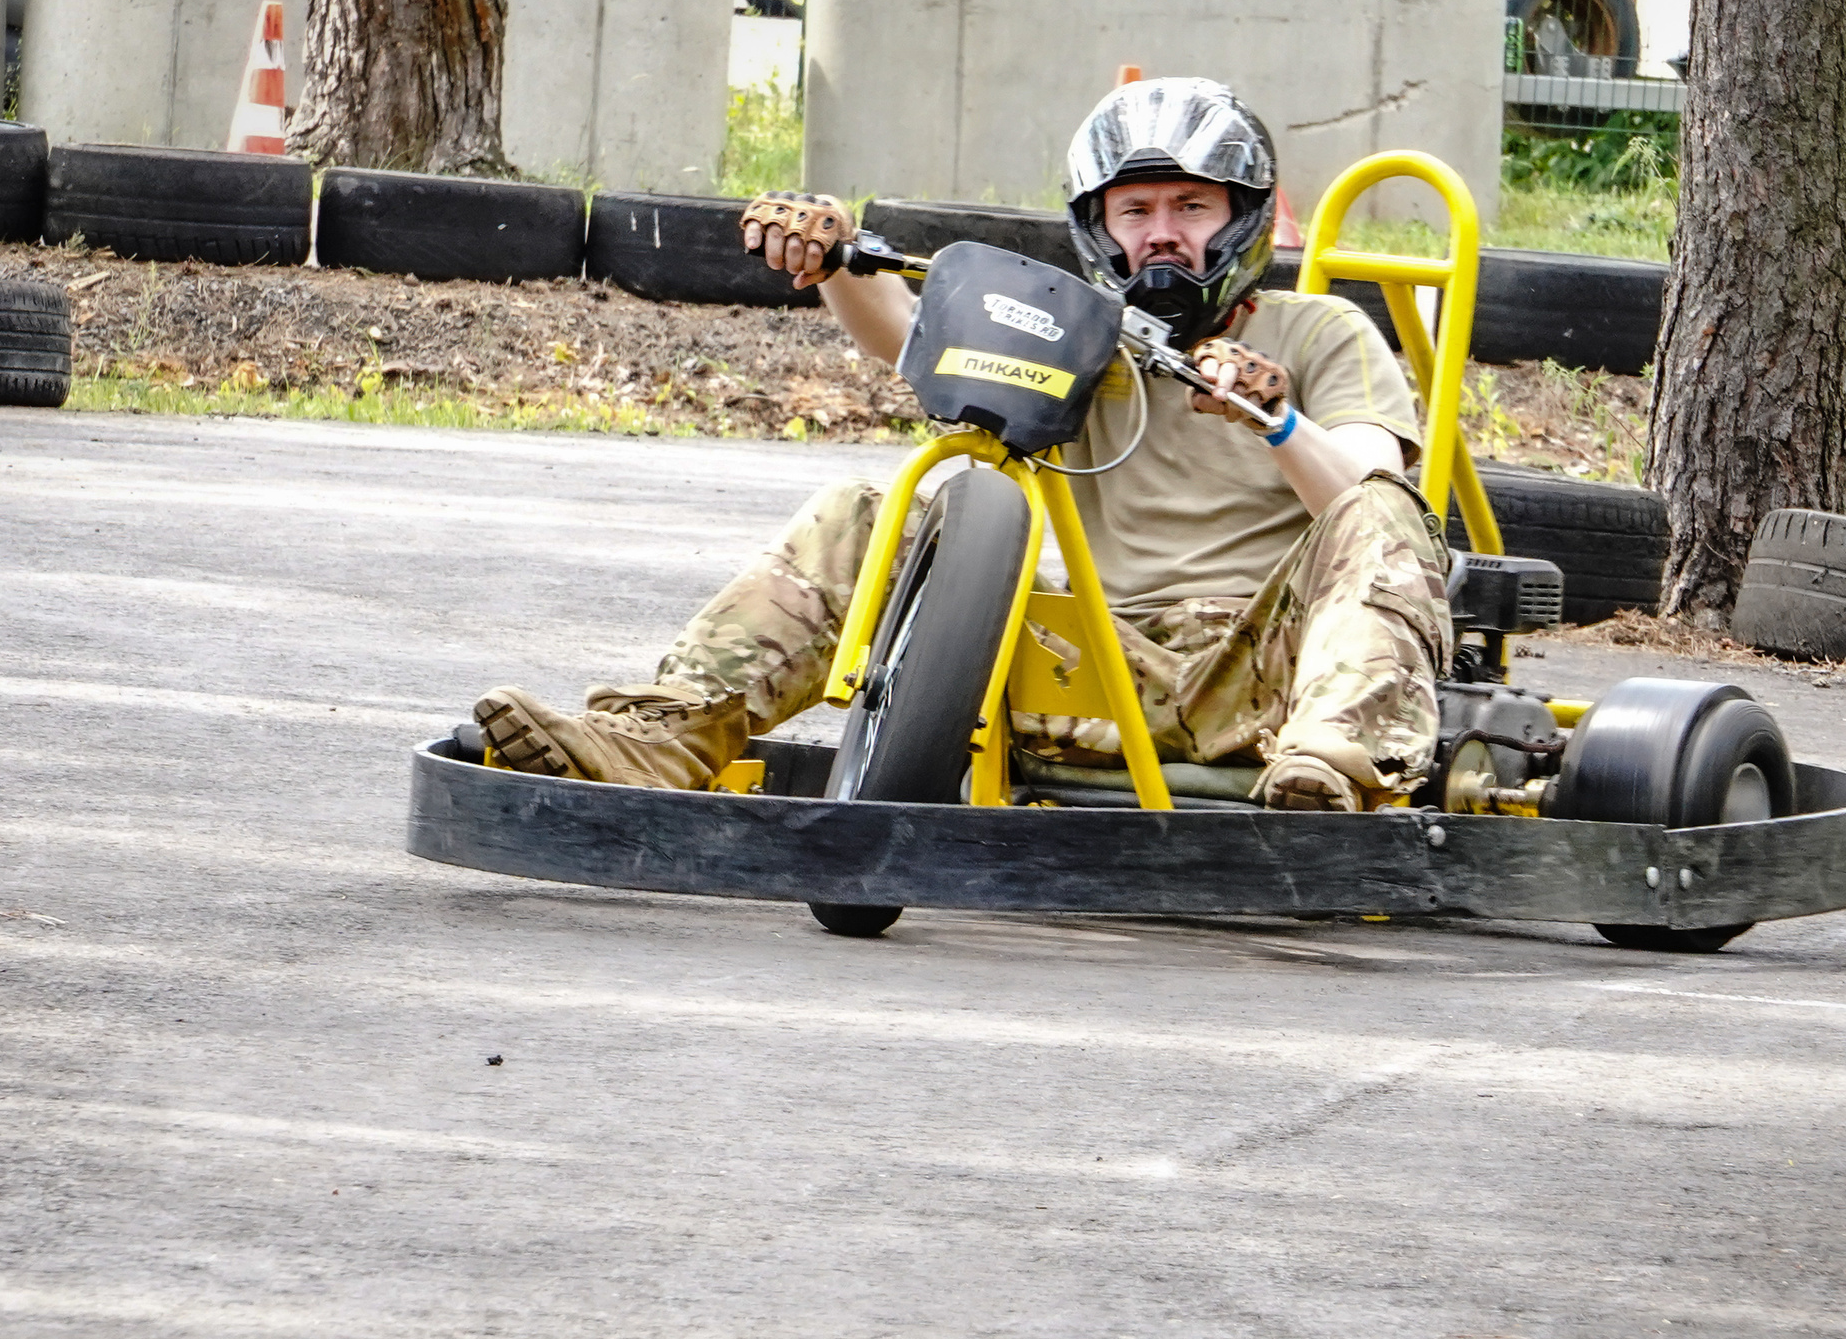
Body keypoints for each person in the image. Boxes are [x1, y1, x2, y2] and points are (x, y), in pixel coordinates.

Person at [472, 77, 1451, 811]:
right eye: (1137, 211)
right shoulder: (1079, 332)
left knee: (1383, 510)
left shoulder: (1318, 333)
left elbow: (1371, 488)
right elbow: (907, 333)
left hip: (1258, 681)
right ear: (1100, 226)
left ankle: (1336, 769)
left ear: (1238, 219)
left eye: (1190, 209)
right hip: (1085, 668)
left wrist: (1273, 420)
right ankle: (662, 734)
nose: (1163, 235)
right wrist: (835, 253)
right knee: (863, 513)